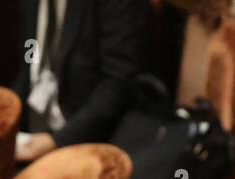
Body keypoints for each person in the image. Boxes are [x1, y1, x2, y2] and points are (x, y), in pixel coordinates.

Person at [11, 0, 149, 163]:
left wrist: (56, 141)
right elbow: (31, 64)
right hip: (34, 134)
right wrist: (7, 118)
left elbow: (119, 84)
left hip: (88, 144)